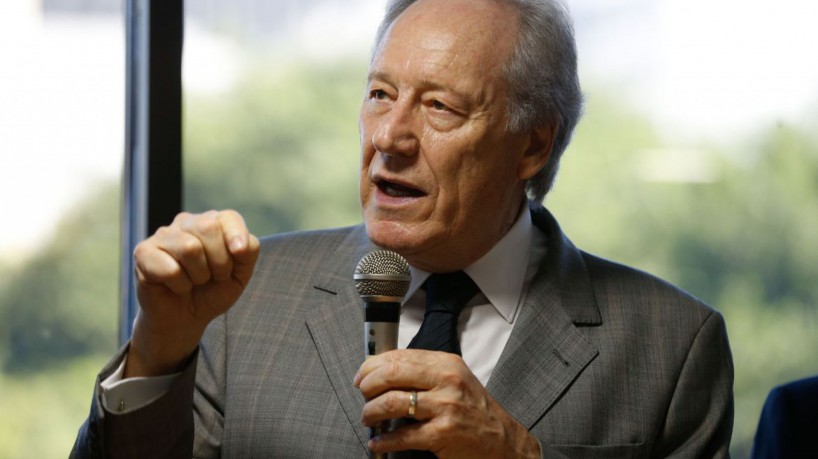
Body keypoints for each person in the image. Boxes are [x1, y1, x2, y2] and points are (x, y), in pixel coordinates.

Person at [71, 0, 734, 457]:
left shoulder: (673, 344)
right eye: (380, 94)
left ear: (532, 144)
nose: (389, 137)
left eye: (440, 106)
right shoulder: (241, 299)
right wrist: (157, 351)